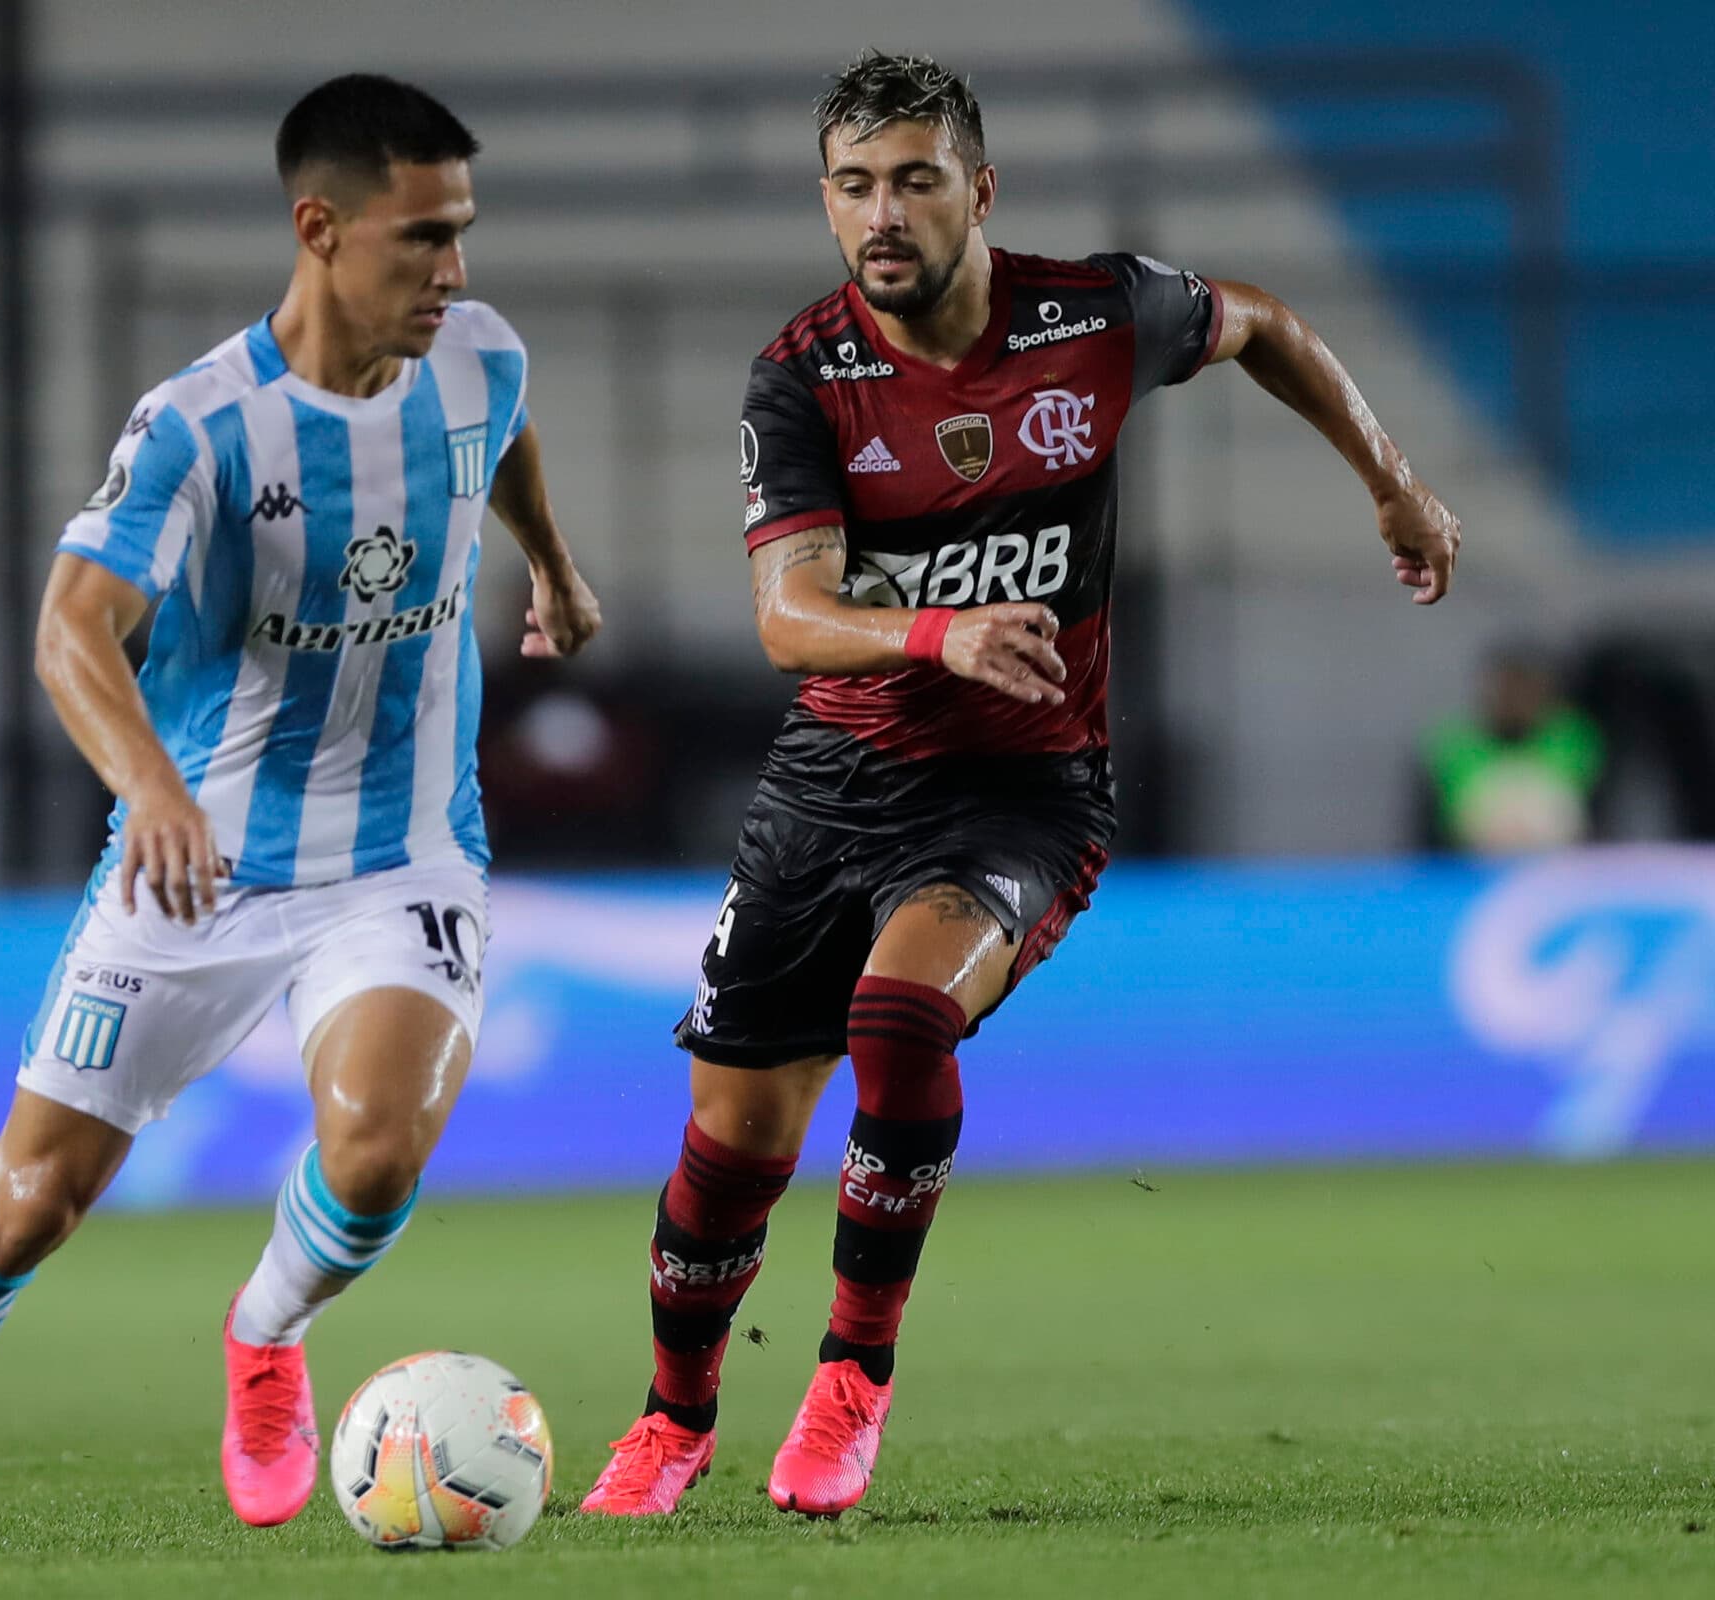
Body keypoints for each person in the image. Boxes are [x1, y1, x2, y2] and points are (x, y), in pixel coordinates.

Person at [578, 49, 1461, 1520]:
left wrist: (1392, 481)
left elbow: (1267, 324)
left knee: (900, 1016)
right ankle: (674, 1419)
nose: (882, 214)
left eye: (914, 181)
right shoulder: (802, 377)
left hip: (1023, 791)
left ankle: (853, 1374)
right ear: (826, 201)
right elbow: (788, 619)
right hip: (831, 787)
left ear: (979, 191)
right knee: (734, 1146)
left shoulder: (1096, 317)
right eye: (853, 186)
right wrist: (942, 630)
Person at [0, 72, 599, 1566]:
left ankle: (266, 1333)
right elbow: (70, 628)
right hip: (199, 867)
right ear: (319, 228)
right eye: (421, 237)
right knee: (24, 1207)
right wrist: (148, 783)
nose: (453, 268)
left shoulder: (481, 358)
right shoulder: (200, 428)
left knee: (375, 1152)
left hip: (403, 854)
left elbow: (506, 435)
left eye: (462, 231)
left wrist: (551, 560)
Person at [1420, 644, 1602, 853]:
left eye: (1526, 687)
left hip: (1559, 862)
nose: (1516, 698)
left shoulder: (1573, 739)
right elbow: (1440, 830)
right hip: (1474, 863)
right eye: (1507, 688)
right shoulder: (1455, 746)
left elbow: (1593, 821)